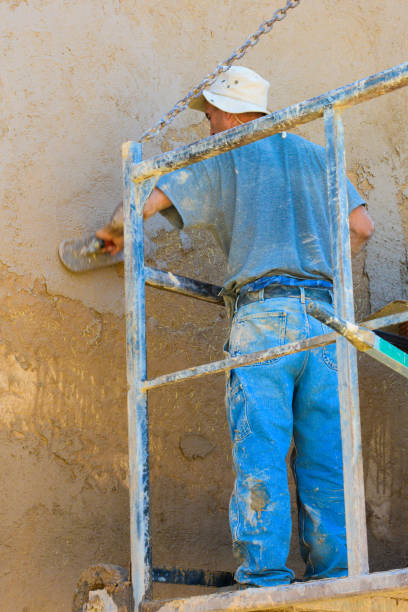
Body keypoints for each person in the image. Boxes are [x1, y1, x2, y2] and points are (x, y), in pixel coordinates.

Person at [97, 66, 374, 587]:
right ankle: (336, 580)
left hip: (264, 320)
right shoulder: (318, 154)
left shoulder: (227, 152)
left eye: (208, 117)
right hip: (326, 319)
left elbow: (145, 200)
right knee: (327, 460)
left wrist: (109, 236)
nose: (207, 128)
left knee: (261, 451)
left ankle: (266, 579)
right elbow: (363, 226)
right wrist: (322, 272)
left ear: (226, 113)